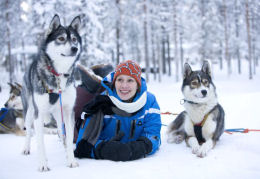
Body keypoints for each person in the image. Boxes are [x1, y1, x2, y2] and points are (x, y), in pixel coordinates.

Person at [74, 60, 161, 161]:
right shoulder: (101, 102)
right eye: (120, 80)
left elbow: (154, 135)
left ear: (138, 84)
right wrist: (104, 149)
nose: (124, 86)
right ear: (114, 82)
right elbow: (83, 143)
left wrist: (137, 149)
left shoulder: (149, 101)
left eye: (130, 80)